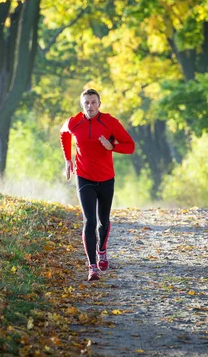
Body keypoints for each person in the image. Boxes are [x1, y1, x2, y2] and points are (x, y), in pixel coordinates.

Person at [60, 88, 135, 281]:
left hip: (106, 178)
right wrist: (68, 159)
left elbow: (130, 146)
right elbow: (64, 133)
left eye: (93, 102)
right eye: (86, 103)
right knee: (89, 221)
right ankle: (92, 267)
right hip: (84, 177)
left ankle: (102, 249)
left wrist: (113, 146)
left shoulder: (110, 122)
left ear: (99, 104)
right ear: (81, 105)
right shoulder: (74, 122)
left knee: (103, 220)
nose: (90, 106)